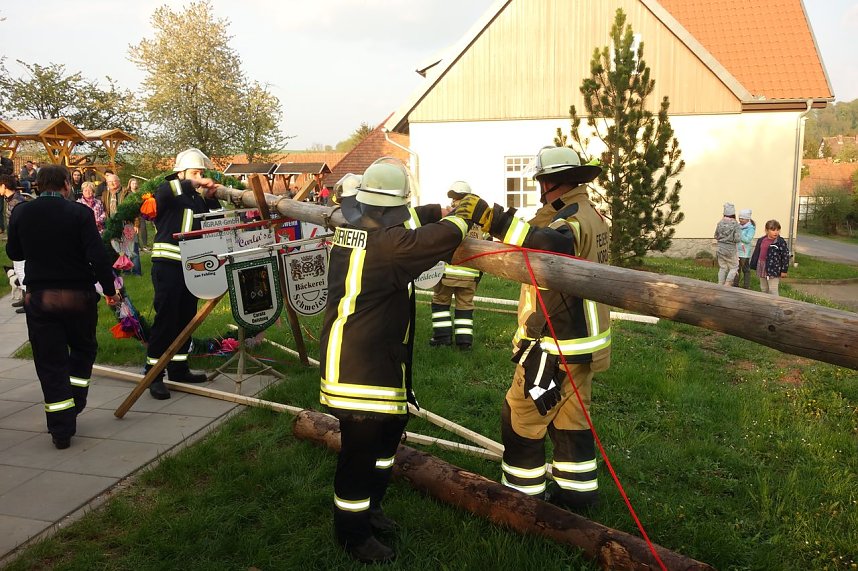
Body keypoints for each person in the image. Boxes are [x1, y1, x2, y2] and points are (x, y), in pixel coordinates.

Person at [320, 157, 472, 563]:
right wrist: (463, 215)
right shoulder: (390, 246)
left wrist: (431, 211)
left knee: (389, 432)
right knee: (360, 450)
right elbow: (437, 239)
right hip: (360, 365)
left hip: (370, 355)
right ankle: (352, 533)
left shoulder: (355, 226)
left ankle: (373, 505)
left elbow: (404, 226)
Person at [455, 146, 611, 511]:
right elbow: (543, 231)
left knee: (521, 416)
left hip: (554, 345)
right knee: (572, 417)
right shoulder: (589, 213)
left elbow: (554, 243)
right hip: (585, 344)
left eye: (541, 180)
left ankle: (521, 501)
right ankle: (576, 496)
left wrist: (491, 218)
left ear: (550, 181)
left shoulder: (570, 221)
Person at [5, 164, 119, 450]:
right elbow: (98, 255)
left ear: (39, 186)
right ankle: (76, 401)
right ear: (67, 185)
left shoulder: (21, 212)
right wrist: (109, 290)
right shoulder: (80, 213)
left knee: (50, 361)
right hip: (78, 296)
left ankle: (61, 430)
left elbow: (14, 252)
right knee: (83, 349)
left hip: (41, 297)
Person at [145, 148, 221, 400]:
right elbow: (169, 191)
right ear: (181, 172)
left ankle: (178, 368)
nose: (200, 177)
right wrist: (196, 182)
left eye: (202, 172)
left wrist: (210, 197)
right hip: (168, 266)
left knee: (185, 318)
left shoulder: (196, 199)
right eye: (195, 172)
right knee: (166, 320)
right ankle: (153, 374)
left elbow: (213, 221)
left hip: (192, 268)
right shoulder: (169, 190)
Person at [429, 181, 485, 350]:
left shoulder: (450, 219)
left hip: (449, 274)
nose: (453, 202)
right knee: (465, 306)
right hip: (471, 275)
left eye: (456, 198)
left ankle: (442, 337)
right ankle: (464, 342)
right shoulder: (480, 221)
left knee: (440, 302)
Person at [750, 219, 790, 296]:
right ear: (766, 230)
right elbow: (756, 253)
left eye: (778, 230)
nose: (776, 232)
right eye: (773, 230)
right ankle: (765, 304)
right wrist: (753, 264)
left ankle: (775, 305)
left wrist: (784, 270)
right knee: (764, 288)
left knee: (773, 289)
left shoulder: (780, 242)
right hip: (762, 266)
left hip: (773, 268)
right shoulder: (761, 240)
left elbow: (785, 256)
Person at [714, 202, 741, 286]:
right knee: (734, 267)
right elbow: (737, 238)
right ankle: (728, 282)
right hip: (730, 249)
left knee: (723, 267)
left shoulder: (720, 223)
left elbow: (716, 235)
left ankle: (720, 284)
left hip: (720, 248)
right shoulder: (735, 224)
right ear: (733, 214)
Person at [732, 209, 756, 289]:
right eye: (740, 218)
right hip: (737, 251)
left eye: (742, 218)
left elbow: (747, 240)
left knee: (746, 270)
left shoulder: (751, 228)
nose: (740, 220)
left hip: (744, 253)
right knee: (736, 269)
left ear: (747, 219)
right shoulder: (739, 226)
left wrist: (739, 233)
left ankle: (746, 286)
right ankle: (735, 284)